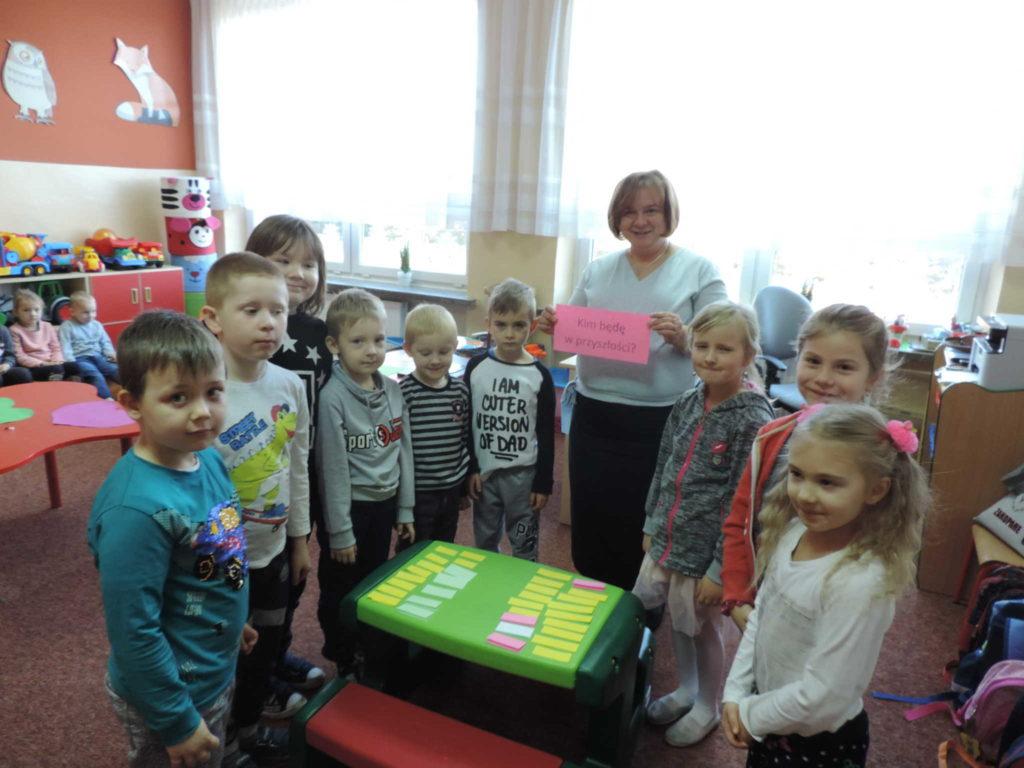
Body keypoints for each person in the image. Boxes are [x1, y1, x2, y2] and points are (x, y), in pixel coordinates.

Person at [536, 170, 728, 589]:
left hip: (661, 421)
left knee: (645, 519)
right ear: (617, 218)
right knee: (592, 513)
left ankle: (641, 609)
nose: (640, 221)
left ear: (668, 214)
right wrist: (553, 323)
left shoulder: (699, 270)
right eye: (629, 212)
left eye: (651, 210)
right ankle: (593, 597)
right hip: (593, 415)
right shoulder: (598, 270)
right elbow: (570, 326)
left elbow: (725, 342)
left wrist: (685, 337)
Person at [87, 310, 256, 768]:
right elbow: (133, 630)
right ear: (131, 403)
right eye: (178, 397)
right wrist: (177, 721)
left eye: (213, 392)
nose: (202, 411)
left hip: (211, 663)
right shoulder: (135, 511)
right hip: (170, 697)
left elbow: (218, 548)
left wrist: (231, 617)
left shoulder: (207, 458)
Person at [722, 404, 928, 767]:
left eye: (827, 482)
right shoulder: (793, 532)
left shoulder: (859, 581)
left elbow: (824, 696)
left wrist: (751, 716)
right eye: (797, 474)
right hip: (771, 715)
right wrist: (736, 693)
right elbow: (761, 617)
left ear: (876, 490)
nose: (804, 494)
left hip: (819, 744)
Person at [632, 301, 774, 747]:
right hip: (671, 540)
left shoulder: (752, 419)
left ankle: (708, 705)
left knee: (705, 629)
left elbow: (743, 502)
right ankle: (687, 689)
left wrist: (719, 569)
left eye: (724, 349)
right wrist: (652, 520)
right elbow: (664, 463)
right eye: (702, 345)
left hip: (707, 556)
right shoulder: (688, 400)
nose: (710, 357)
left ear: (748, 355)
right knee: (680, 622)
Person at [201, 253, 311, 763]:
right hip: (219, 564)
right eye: (251, 310)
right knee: (219, 655)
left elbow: (297, 467)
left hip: (274, 552)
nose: (269, 323)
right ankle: (221, 744)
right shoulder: (203, 396)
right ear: (213, 318)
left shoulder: (290, 385)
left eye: (278, 310)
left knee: (266, 644)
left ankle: (247, 728)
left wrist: (299, 540)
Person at [720, 304, 891, 633]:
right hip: (762, 596)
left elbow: (886, 539)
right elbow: (741, 517)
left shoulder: (879, 452)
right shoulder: (770, 436)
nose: (824, 378)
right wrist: (737, 593)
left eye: (844, 367)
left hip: (827, 609)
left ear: (873, 378)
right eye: (812, 361)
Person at [246, 215, 330, 696]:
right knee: (254, 582)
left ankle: (276, 655)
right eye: (283, 260)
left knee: (292, 574)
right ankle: (253, 677)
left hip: (304, 473)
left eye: (309, 264)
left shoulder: (320, 333)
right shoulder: (249, 331)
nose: (298, 273)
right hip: (256, 477)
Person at [316, 288, 415, 672]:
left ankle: (366, 647)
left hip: (384, 504)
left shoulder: (393, 390)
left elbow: (404, 452)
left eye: (379, 339)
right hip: (351, 510)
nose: (372, 350)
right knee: (340, 585)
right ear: (334, 345)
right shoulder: (333, 398)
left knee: (373, 579)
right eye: (358, 341)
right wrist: (340, 531)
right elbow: (332, 469)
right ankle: (341, 655)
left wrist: (404, 508)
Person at [465, 278, 554, 561]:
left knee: (524, 543)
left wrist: (543, 483)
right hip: (485, 473)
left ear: (532, 326)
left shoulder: (540, 375)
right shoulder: (476, 367)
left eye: (519, 325)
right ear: (489, 324)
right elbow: (467, 422)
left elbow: (546, 433)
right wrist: (471, 467)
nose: (510, 334)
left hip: (523, 475)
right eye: (501, 325)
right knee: (485, 540)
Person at [398, 303, 471, 547]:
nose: (435, 360)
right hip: (418, 491)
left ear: (455, 347)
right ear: (409, 350)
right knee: (412, 546)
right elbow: (398, 447)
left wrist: (462, 489)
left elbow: (463, 439)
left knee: (444, 545)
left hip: (451, 488)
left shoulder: (460, 390)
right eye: (426, 353)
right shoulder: (405, 393)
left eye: (444, 352)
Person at [9, 288, 81, 382]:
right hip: (34, 366)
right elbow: (20, 356)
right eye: (26, 310)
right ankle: (56, 386)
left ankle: (73, 387)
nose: (33, 314)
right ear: (16, 312)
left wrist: (56, 361)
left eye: (36, 310)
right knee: (55, 370)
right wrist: (42, 363)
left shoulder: (47, 326)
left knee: (74, 367)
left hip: (53, 362)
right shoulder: (14, 330)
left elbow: (56, 347)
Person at [58, 291, 120, 398]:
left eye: (93, 311)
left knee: (115, 369)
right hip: (80, 359)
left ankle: (135, 390)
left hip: (99, 356)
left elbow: (105, 341)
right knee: (95, 375)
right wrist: (71, 364)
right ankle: (106, 399)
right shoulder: (67, 327)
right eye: (86, 312)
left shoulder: (97, 325)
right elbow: (65, 347)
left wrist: (110, 353)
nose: (91, 315)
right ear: (72, 312)